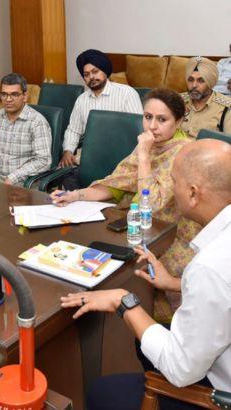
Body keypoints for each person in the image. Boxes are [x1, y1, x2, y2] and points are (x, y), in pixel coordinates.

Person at [60, 138, 231, 409]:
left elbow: (180, 369)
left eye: (174, 181)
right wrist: (173, 283)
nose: (172, 188)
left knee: (102, 392)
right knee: (144, 344)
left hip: (219, 391)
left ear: (193, 193)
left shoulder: (209, 266)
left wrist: (123, 301)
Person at [51, 88, 200, 322]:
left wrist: (144, 155)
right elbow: (116, 184)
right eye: (148, 117)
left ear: (179, 121)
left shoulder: (185, 152)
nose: (152, 126)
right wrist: (76, 195)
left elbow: (152, 203)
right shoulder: (149, 144)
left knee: (132, 278)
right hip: (140, 227)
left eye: (162, 120)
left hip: (173, 234)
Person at [59, 49, 143, 181]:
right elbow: (73, 130)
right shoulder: (82, 100)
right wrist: (68, 151)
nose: (91, 77)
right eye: (86, 74)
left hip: (121, 158)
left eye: (95, 71)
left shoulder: (127, 94)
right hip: (89, 158)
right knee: (61, 179)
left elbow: (139, 132)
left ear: (105, 70)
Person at [0, 73, 52, 186]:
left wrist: (13, 177)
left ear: (25, 96)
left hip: (25, 182)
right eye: (4, 94)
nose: (8, 99)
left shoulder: (37, 122)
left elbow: (43, 160)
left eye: (14, 94)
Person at [180, 56, 231, 137]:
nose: (194, 85)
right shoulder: (176, 101)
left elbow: (228, 142)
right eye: (190, 80)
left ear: (210, 83)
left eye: (201, 81)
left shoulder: (226, 108)